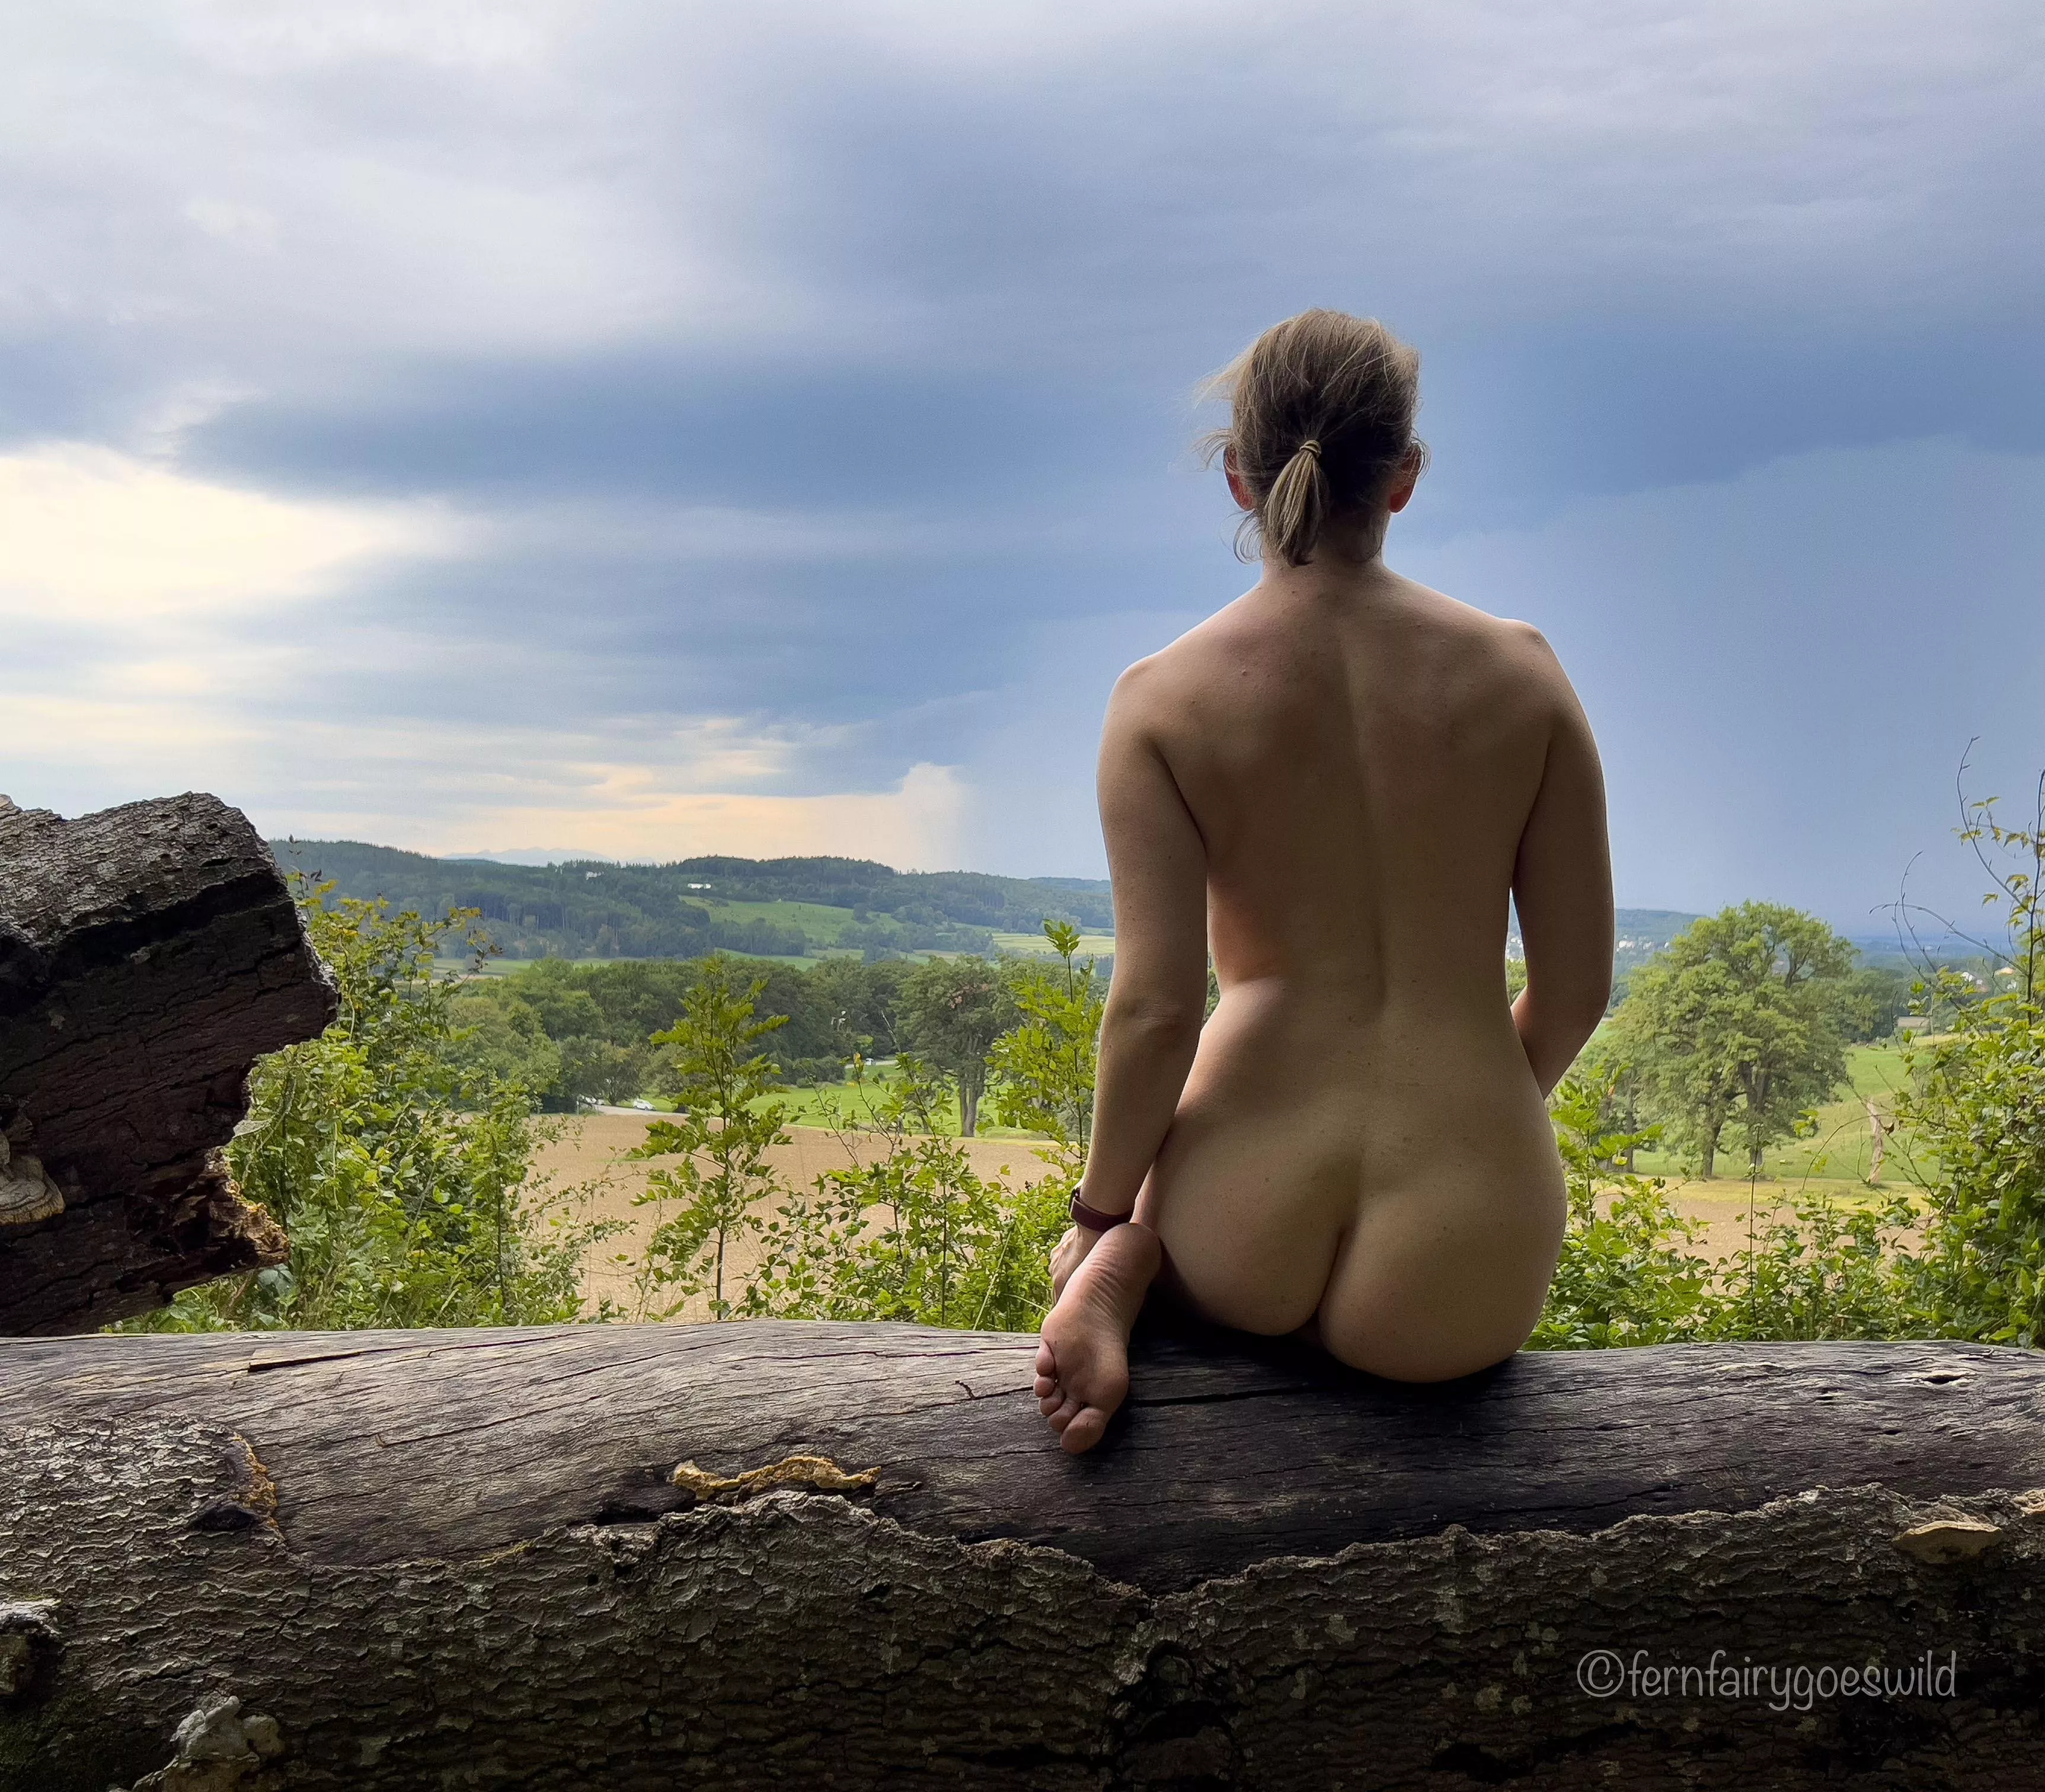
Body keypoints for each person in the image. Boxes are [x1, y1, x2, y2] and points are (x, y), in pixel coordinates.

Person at [1034, 310, 1614, 1454]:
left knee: (1172, 1252)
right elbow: (1578, 986)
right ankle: (1195, 1276)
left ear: (1240, 478)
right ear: (1402, 478)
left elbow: (1153, 1013)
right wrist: (1470, 1112)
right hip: (1464, 1236)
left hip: (1234, 1205)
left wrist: (1101, 1214)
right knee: (1414, 1359)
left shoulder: (1161, 699)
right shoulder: (1522, 676)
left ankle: (1136, 1271)